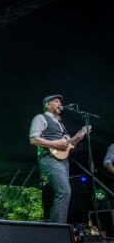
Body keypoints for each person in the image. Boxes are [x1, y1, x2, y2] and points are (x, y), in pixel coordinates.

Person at [29, 95, 84, 224]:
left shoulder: (60, 124)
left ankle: (58, 229)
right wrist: (55, 144)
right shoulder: (40, 118)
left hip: (63, 161)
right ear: (48, 105)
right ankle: (57, 232)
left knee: (64, 193)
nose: (60, 103)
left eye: (60, 102)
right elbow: (33, 139)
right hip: (49, 158)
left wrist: (77, 139)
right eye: (56, 101)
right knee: (64, 191)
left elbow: (67, 146)